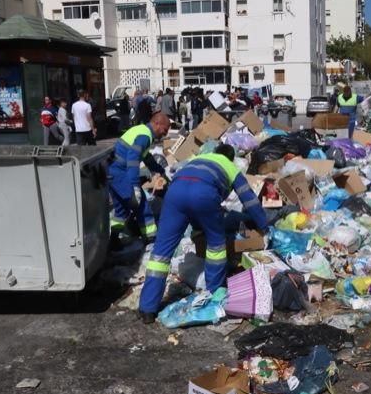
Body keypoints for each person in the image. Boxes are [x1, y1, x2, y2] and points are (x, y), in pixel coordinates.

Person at [137, 143, 268, 323]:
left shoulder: (198, 159)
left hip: (175, 194)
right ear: (231, 158)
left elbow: (184, 185)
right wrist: (263, 224)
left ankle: (147, 309)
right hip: (204, 195)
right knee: (216, 245)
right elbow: (249, 199)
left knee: (161, 253)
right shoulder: (230, 166)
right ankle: (214, 295)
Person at [108, 112, 171, 247]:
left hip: (112, 171)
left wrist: (160, 170)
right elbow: (133, 159)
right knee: (141, 204)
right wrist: (135, 186)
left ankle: (113, 239)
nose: (165, 134)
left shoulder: (142, 131)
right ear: (156, 123)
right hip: (120, 172)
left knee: (120, 208)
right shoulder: (144, 136)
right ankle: (151, 238)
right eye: (164, 130)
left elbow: (146, 157)